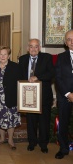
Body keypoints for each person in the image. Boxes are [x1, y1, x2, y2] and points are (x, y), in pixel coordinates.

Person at [18, 39, 54, 153]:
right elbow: (19, 75)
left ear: (39, 48)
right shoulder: (22, 59)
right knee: (31, 121)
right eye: (31, 46)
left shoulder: (47, 57)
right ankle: (32, 142)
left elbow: (51, 74)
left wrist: (37, 77)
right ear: (28, 48)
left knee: (44, 121)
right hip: (28, 96)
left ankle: (43, 144)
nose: (33, 49)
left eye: (36, 46)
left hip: (44, 96)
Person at [0, 46, 21, 150]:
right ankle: (2, 138)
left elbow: (20, 83)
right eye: (0, 54)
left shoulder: (15, 67)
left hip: (10, 97)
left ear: (8, 56)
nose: (2, 56)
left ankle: (10, 139)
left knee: (10, 120)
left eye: (5, 54)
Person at [55, 29, 73, 159]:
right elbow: (58, 78)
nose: (72, 42)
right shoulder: (61, 57)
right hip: (64, 96)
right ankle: (64, 148)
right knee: (63, 124)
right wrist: (68, 94)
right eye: (69, 39)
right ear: (65, 43)